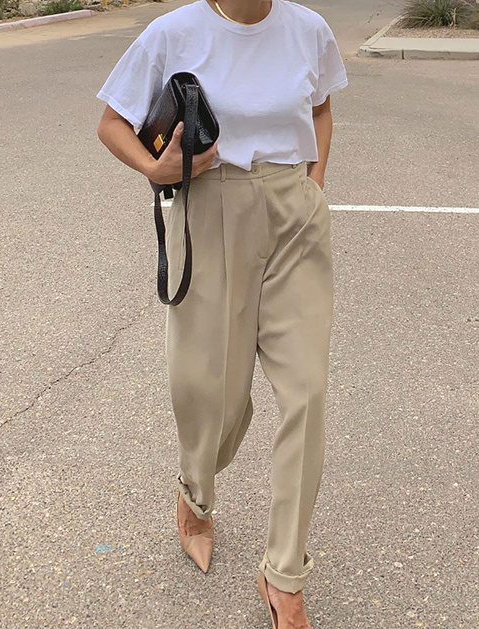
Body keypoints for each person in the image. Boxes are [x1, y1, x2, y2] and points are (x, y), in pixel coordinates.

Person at [96, 1, 348, 627]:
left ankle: (284, 575)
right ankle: (195, 491)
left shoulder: (308, 29)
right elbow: (112, 123)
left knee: (307, 391)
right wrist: (153, 167)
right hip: (210, 210)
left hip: (294, 218)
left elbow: (320, 109)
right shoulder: (174, 33)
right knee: (211, 391)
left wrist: (313, 183)